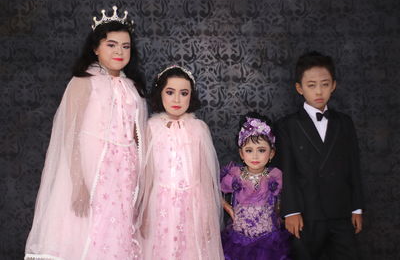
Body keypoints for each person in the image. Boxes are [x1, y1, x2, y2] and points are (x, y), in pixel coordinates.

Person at [24, 6, 147, 260]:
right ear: (96, 48)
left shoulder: (132, 87)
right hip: (94, 170)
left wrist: (140, 176)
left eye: (125, 46)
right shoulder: (83, 82)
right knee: (90, 230)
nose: (119, 52)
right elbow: (71, 134)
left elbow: (136, 135)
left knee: (119, 232)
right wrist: (79, 182)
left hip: (125, 174)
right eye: (111, 44)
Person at [275, 51, 364, 260]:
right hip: (306, 214)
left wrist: (357, 207)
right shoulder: (287, 125)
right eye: (311, 85)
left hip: (341, 211)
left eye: (324, 84)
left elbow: (354, 165)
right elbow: (286, 171)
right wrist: (291, 211)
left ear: (333, 85)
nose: (319, 91)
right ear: (299, 88)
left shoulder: (344, 123)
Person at [139, 65, 224, 260]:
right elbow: (147, 174)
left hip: (192, 206)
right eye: (170, 92)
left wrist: (207, 218)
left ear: (191, 96)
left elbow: (204, 176)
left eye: (183, 93)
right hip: (160, 205)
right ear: (160, 93)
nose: (177, 99)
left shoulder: (199, 128)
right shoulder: (151, 128)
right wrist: (144, 213)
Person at [220, 114, 291, 260]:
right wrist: (227, 207)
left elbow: (288, 196)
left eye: (261, 150)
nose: (255, 156)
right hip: (239, 240)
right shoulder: (235, 175)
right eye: (249, 150)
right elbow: (213, 190)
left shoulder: (275, 176)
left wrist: (278, 212)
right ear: (241, 153)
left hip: (268, 240)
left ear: (271, 153)